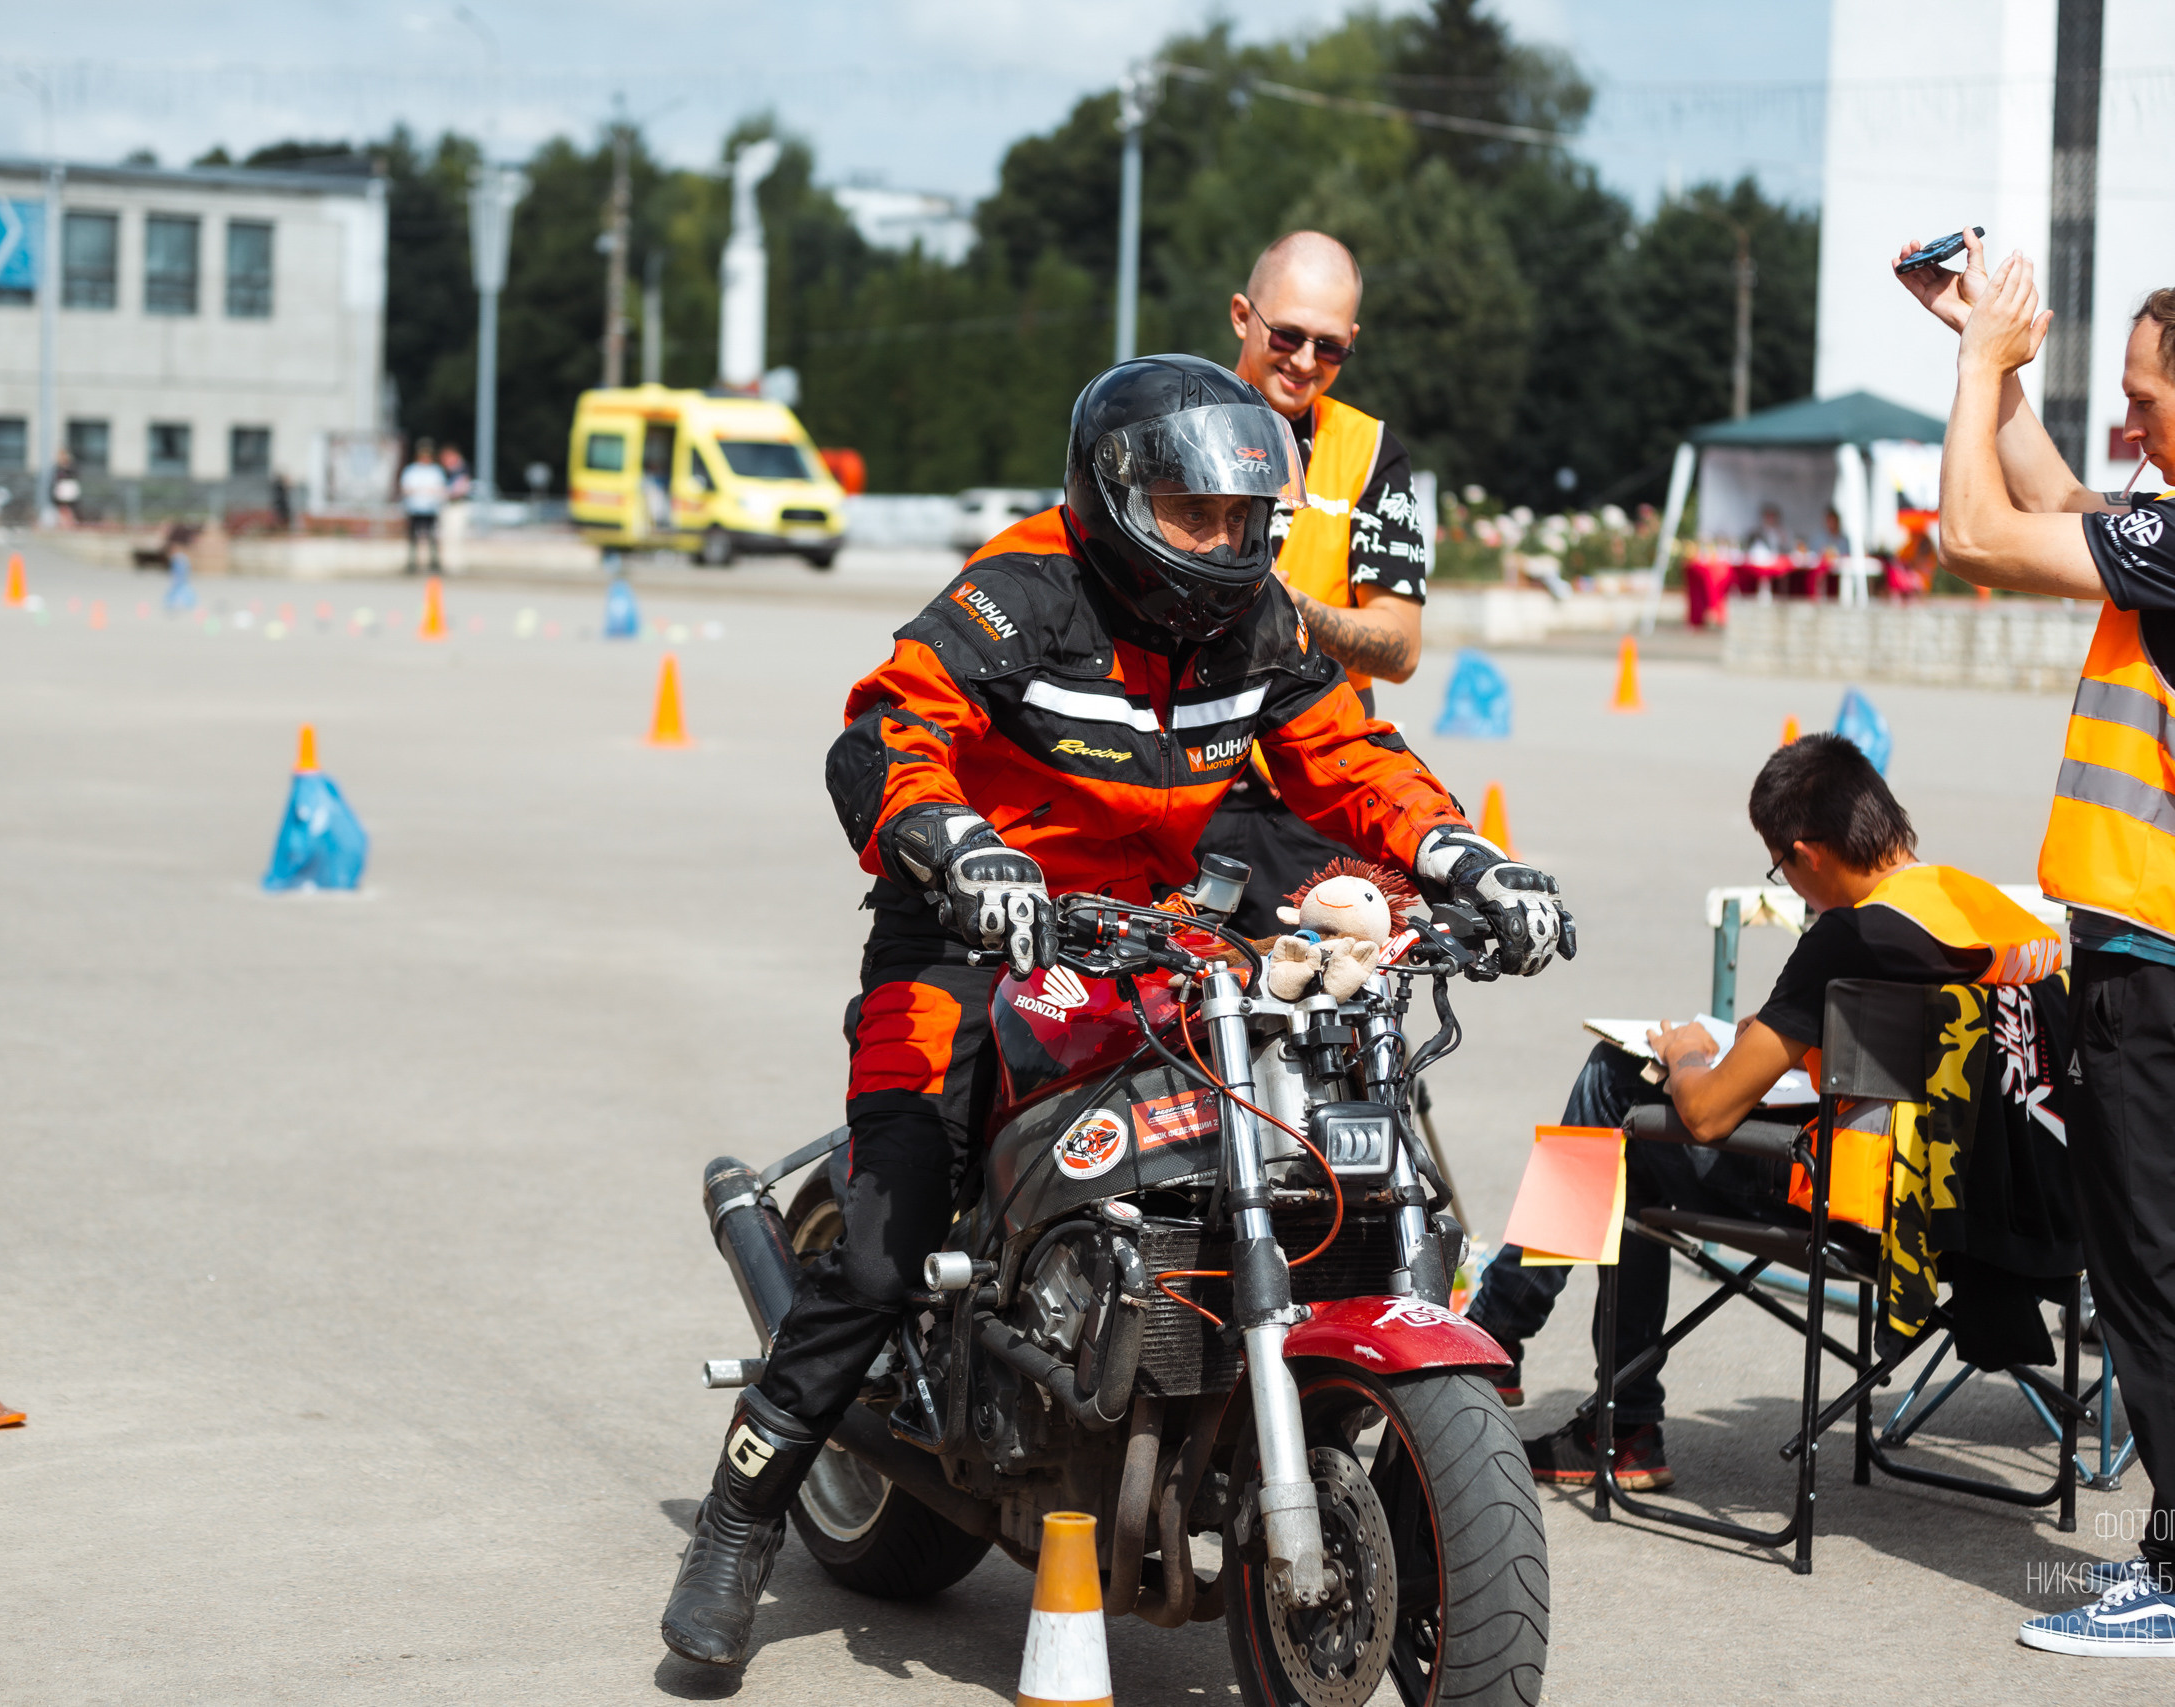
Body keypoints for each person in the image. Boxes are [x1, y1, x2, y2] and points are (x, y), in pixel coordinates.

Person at [659, 354, 1578, 1669]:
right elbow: (885, 734)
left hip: (1160, 931)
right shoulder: (1021, 590)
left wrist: (1466, 860)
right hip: (974, 931)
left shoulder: (1253, 617)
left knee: (1287, 1124)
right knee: (885, 1235)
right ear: (1120, 494)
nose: (1228, 540)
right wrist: (960, 849)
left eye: (1246, 516)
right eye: (1200, 513)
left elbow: (1352, 760)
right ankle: (743, 1511)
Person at [1901, 237, 2175, 1658]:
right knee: (2163, 1246)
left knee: (2151, 1261)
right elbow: (2082, 511)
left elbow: (1976, 535)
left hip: (2160, 953)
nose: (2134, 426)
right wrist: (2002, 368)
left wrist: (1975, 376)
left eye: (2150, 398)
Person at [1465, 735, 2063, 1490]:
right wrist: (1779, 1038)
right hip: (2000, 1213)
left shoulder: (1851, 936)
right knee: (1622, 1130)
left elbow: (1711, 1115)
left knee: (1613, 1090)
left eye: (1780, 868)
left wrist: (1686, 1051)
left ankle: (1524, 1349)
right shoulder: (1988, 911)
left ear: (1806, 853)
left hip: (1862, 1204)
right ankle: (1568, 1379)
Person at [1192, 231, 1432, 939]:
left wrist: (1293, 610)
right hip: (1183, 787)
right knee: (1169, 1024)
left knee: (1340, 1027)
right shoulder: (1169, 420)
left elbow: (1400, 647)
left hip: (1316, 796)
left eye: (1329, 347)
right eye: (1287, 335)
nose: (1304, 361)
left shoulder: (1370, 452)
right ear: (1243, 315)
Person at [399, 439, 447, 575]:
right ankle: (412, 563)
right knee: (413, 536)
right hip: (415, 507)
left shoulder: (435, 471)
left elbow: (440, 489)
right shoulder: (411, 470)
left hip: (430, 508)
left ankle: (434, 562)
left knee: (432, 536)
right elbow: (405, 488)